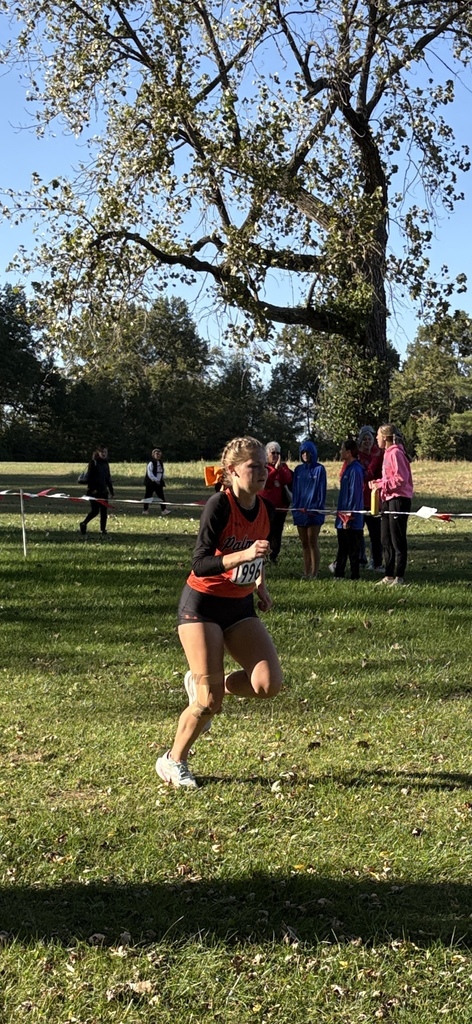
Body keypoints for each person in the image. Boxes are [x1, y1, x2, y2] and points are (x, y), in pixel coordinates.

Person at [156, 436, 282, 790]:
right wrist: (241, 556)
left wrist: (260, 586)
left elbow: (259, 555)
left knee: (268, 684)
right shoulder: (219, 505)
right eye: (253, 466)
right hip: (202, 605)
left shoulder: (268, 510)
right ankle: (173, 760)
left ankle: (205, 684)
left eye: (264, 465)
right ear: (232, 471)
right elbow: (200, 563)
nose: (263, 472)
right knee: (209, 703)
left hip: (239, 606)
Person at [369, 424, 414, 586]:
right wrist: (378, 483)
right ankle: (388, 575)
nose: (376, 439)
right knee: (385, 538)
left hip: (399, 500)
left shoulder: (395, 453)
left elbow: (401, 479)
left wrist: (382, 485)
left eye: (378, 436)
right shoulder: (386, 454)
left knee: (397, 539)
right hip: (387, 500)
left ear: (386, 438)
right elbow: (390, 478)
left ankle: (399, 577)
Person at [291, 440, 326, 579]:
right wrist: (296, 508)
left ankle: (314, 572)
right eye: (303, 452)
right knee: (304, 543)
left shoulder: (320, 469)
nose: (305, 455)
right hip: (300, 512)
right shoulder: (298, 470)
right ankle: (306, 572)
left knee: (312, 542)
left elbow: (321, 491)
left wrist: (315, 507)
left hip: (313, 512)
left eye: (308, 452)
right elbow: (295, 490)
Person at [334, 439, 365, 580]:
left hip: (351, 518)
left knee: (352, 548)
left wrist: (349, 516)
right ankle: (339, 573)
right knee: (342, 546)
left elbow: (355, 494)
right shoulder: (347, 468)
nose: (340, 452)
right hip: (342, 516)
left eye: (342, 449)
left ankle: (354, 575)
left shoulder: (356, 470)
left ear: (348, 452)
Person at [259, 441, 293, 563]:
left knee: (277, 533)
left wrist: (279, 469)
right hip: (265, 507)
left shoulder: (283, 467)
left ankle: (274, 556)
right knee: (265, 532)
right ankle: (263, 556)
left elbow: (287, 479)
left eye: (278, 453)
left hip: (280, 508)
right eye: (273, 453)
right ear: (267, 454)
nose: (275, 456)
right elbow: (266, 481)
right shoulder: (263, 467)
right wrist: (275, 471)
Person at [357, 426, 384, 572]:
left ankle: (377, 561)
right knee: (358, 532)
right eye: (364, 439)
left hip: (373, 498)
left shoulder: (377, 455)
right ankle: (361, 559)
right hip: (360, 498)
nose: (367, 442)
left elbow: (376, 473)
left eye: (370, 439)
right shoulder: (356, 456)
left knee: (375, 534)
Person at [79, 445, 114, 536]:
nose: (104, 454)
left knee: (104, 511)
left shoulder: (106, 463)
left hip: (103, 491)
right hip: (94, 491)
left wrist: (111, 490)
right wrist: (92, 489)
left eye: (105, 452)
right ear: (98, 453)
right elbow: (90, 477)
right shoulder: (93, 462)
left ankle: (103, 530)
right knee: (95, 511)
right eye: (102, 452)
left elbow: (108, 478)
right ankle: (84, 523)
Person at [142, 447, 169, 515]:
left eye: (159, 454)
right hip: (151, 483)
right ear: (153, 455)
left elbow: (161, 471)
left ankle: (164, 510)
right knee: (148, 496)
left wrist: (163, 477)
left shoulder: (160, 462)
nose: (158, 455)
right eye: (156, 454)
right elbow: (150, 473)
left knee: (161, 497)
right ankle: (145, 510)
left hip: (159, 483)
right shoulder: (151, 463)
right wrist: (155, 479)